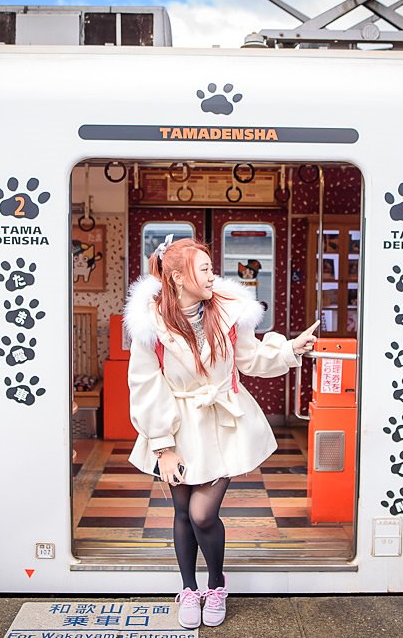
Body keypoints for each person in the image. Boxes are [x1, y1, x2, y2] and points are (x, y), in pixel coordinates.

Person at [123, 236, 319, 629]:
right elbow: (145, 385)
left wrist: (290, 350)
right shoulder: (150, 323)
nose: (214, 275)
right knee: (181, 512)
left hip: (222, 422)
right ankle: (188, 589)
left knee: (202, 513)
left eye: (212, 268)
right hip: (174, 425)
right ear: (177, 276)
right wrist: (162, 447)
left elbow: (251, 358)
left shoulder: (228, 312)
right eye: (205, 269)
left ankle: (216, 583)